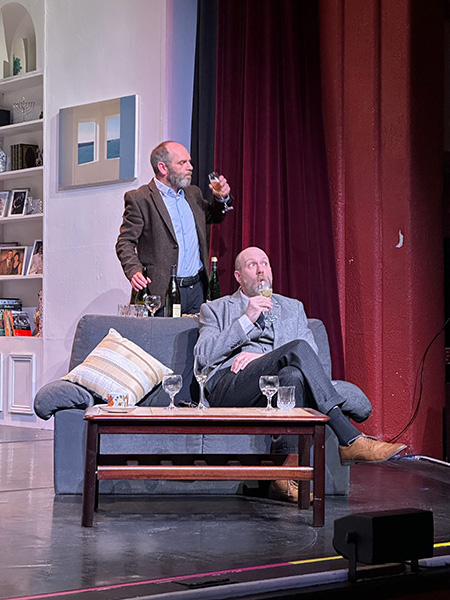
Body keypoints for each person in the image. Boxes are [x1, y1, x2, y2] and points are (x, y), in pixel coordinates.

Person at [194, 246, 406, 503]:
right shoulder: (216, 309)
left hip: (274, 385)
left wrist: (262, 359)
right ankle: (350, 439)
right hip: (231, 385)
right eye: (252, 265)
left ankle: (284, 478)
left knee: (293, 375)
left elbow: (310, 356)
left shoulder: (292, 308)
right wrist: (246, 320)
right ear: (238, 276)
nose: (261, 270)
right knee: (296, 352)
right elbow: (203, 355)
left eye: (265, 263)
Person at [116, 141, 231, 314]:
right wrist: (134, 270)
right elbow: (125, 241)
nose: (190, 167)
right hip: (162, 292)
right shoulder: (140, 199)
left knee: (198, 332)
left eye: (189, 161)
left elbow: (213, 216)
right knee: (163, 332)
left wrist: (221, 198)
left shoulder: (193, 194)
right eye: (182, 163)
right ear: (163, 168)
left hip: (197, 289)